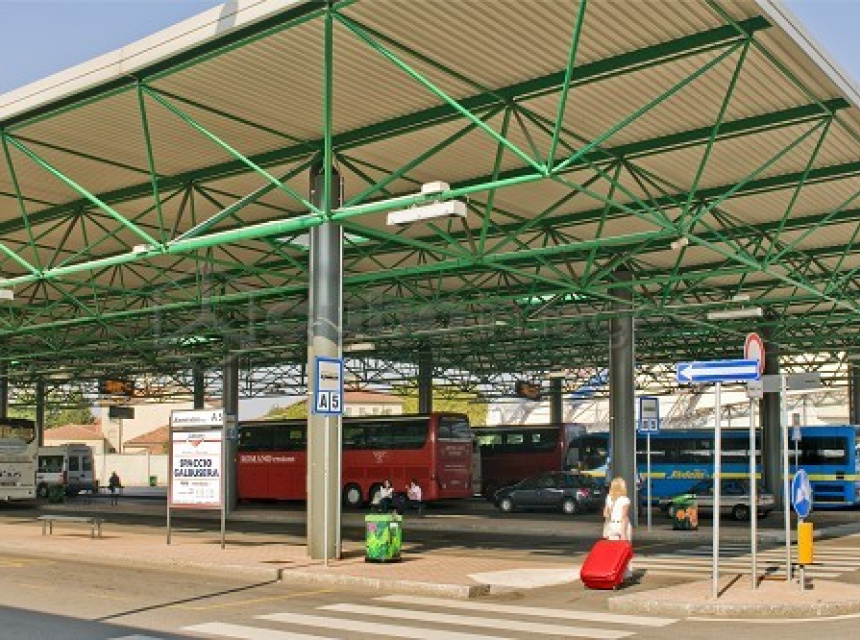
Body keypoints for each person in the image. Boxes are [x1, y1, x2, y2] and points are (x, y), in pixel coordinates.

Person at [603, 476, 634, 580]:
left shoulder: (608, 498)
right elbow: (624, 517)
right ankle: (626, 574)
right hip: (621, 526)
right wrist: (623, 534)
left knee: (613, 552)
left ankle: (613, 572)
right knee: (625, 551)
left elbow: (605, 514)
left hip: (612, 526)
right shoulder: (625, 500)